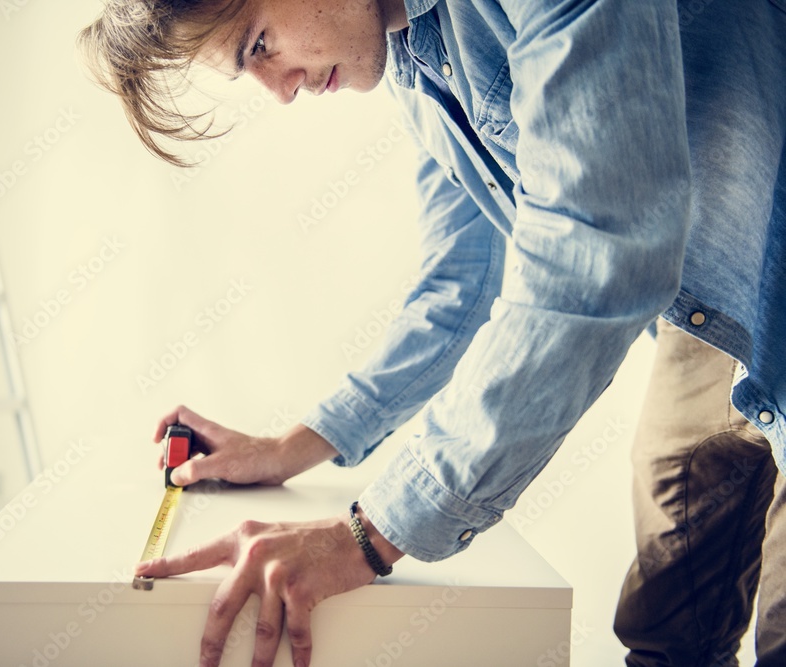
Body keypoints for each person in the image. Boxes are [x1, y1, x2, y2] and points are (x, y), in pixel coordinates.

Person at [77, 1, 786, 665]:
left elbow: (598, 248)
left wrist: (368, 533)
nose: (280, 89)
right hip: (723, 300)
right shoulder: (413, 56)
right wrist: (293, 446)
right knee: (668, 629)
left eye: (259, 43)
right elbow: (463, 283)